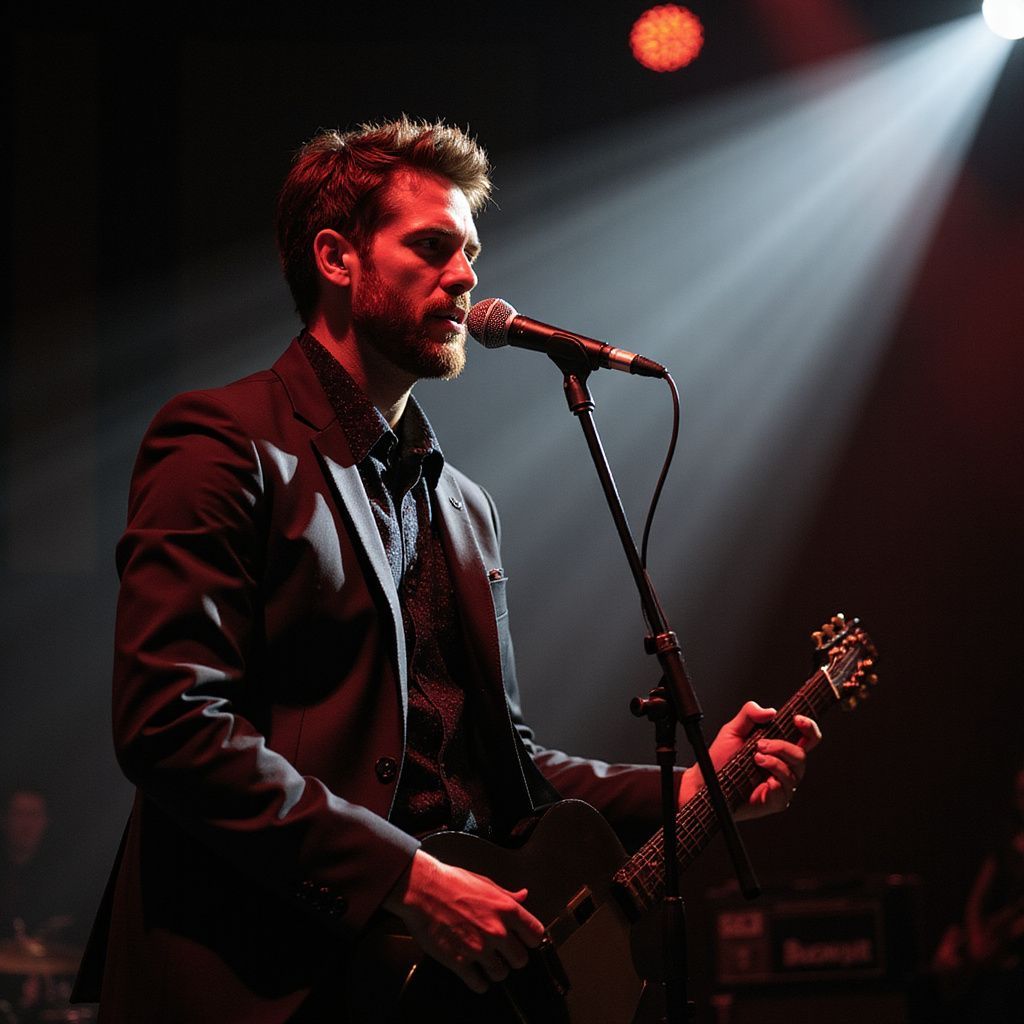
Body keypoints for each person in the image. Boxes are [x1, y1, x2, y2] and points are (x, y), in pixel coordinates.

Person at [72, 117, 820, 1022]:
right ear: (337, 258)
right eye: (432, 248)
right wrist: (406, 879)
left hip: (416, 991)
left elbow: (502, 765)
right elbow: (169, 725)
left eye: (469, 251)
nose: (466, 277)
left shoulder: (463, 504)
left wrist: (689, 788)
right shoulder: (224, 443)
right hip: (265, 982)